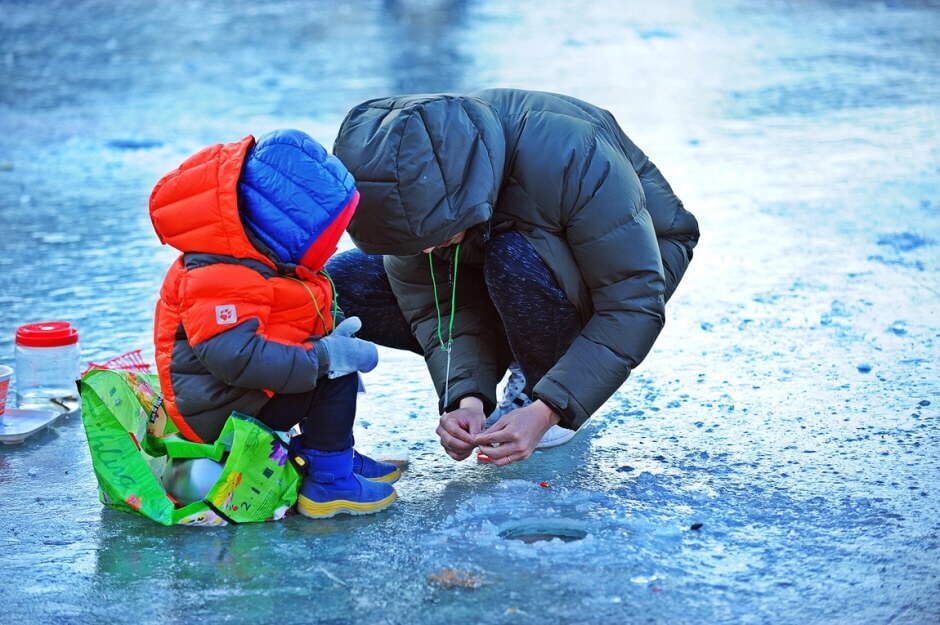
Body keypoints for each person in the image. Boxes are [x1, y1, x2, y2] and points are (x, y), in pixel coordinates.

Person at [326, 88, 700, 467]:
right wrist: (467, 399)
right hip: (497, 254)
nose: (424, 251)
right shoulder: (412, 197)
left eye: (431, 238)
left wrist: (548, 409)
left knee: (511, 258)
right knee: (338, 284)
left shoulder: (571, 154)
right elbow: (438, 306)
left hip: (629, 258)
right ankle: (517, 353)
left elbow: (632, 302)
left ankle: (544, 379)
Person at [149, 129, 399, 518]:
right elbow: (234, 357)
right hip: (217, 416)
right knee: (334, 377)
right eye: (326, 236)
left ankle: (332, 452)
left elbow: (292, 318)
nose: (332, 248)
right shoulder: (217, 276)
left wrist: (329, 335)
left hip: (239, 398)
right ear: (286, 228)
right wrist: (323, 357)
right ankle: (329, 483)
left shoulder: (263, 262)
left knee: (333, 369)